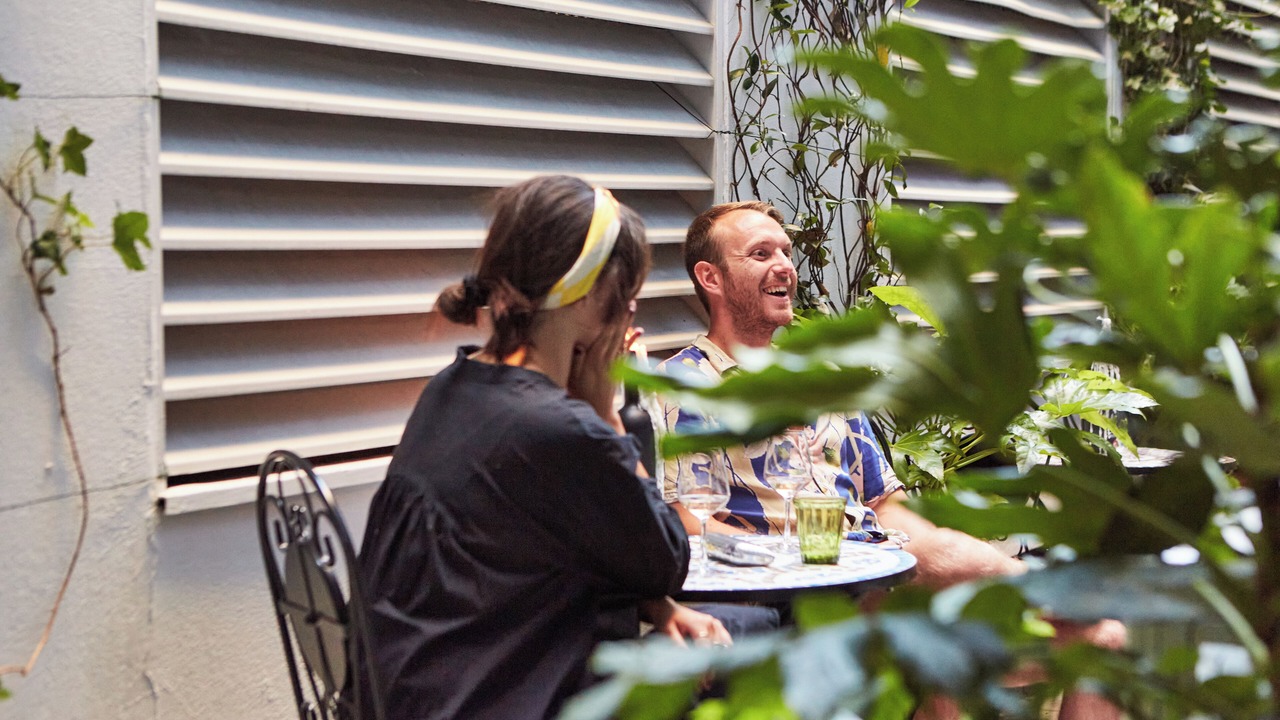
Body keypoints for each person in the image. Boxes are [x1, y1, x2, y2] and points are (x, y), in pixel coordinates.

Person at [657, 200, 1125, 720]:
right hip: (811, 591)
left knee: (1103, 639)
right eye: (760, 253)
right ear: (711, 278)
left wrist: (924, 553)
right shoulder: (687, 389)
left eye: (786, 252)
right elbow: (690, 523)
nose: (784, 265)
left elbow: (885, 501)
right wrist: (816, 555)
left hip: (882, 570)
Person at [357, 175, 729, 720]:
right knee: (752, 637)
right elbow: (665, 559)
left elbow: (551, 547)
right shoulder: (560, 429)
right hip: (496, 697)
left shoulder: (455, 388)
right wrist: (608, 414)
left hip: (416, 690)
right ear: (601, 299)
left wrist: (658, 606)